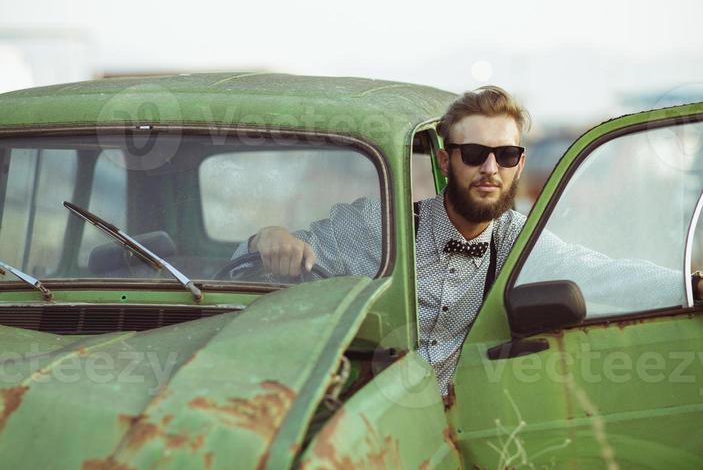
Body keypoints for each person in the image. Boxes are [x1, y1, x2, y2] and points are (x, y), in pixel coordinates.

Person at [237, 87, 703, 396]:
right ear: (445, 161)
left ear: (520, 164)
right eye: (475, 154)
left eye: (506, 155)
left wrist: (689, 286)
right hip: (361, 416)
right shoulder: (379, 226)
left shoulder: (520, 242)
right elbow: (275, 256)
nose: (490, 169)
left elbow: (605, 273)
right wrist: (267, 238)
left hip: (459, 430)